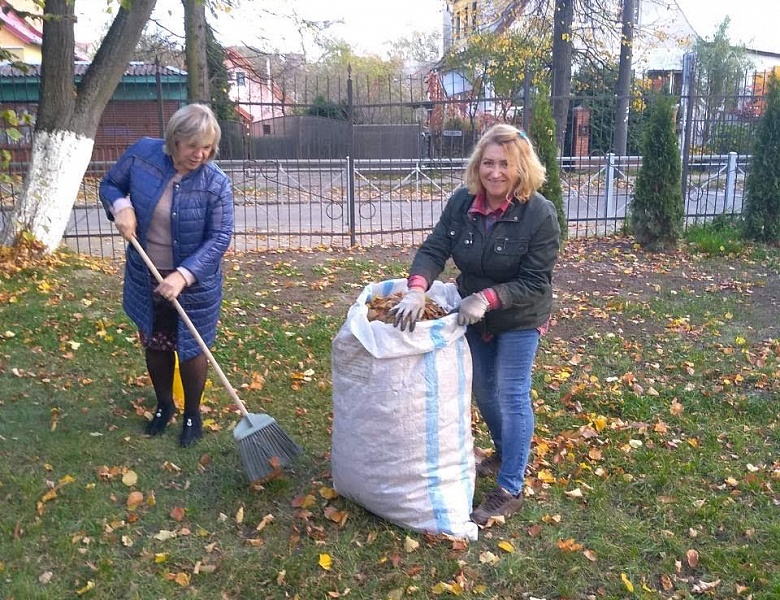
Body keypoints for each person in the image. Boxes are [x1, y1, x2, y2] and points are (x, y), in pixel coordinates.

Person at [391, 123, 560, 526]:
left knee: (512, 392)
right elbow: (436, 247)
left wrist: (488, 298)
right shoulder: (463, 203)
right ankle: (504, 450)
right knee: (484, 389)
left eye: (505, 164)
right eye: (488, 163)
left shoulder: (540, 214)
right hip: (472, 312)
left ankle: (509, 487)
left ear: (521, 168)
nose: (495, 172)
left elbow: (536, 281)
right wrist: (417, 288)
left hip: (519, 314)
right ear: (477, 165)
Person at [99, 103, 234, 447]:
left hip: (194, 285)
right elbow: (111, 184)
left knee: (191, 347)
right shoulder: (142, 156)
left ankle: (192, 413)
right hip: (146, 275)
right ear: (174, 140)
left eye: (207, 147)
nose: (200, 154)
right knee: (155, 341)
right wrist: (121, 207)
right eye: (192, 146)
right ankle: (164, 405)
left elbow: (220, 237)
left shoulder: (215, 183)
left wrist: (184, 275)